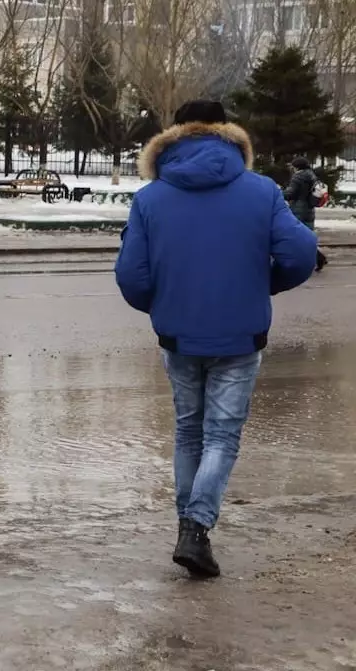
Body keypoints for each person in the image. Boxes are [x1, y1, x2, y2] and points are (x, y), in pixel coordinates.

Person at [114, 100, 317, 578]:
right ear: (229, 135)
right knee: (221, 435)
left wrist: (165, 306)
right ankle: (196, 528)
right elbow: (302, 251)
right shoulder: (262, 191)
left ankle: (190, 527)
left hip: (178, 335)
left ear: (174, 137)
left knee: (189, 430)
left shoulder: (151, 197)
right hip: (241, 334)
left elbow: (130, 275)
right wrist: (263, 285)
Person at [284, 156, 328, 271]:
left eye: (293, 166)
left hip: (299, 210)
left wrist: (279, 193)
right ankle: (318, 258)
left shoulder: (298, 176)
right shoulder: (311, 175)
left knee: (296, 236)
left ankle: (313, 259)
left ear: (297, 167)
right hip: (309, 210)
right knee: (306, 237)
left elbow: (291, 193)